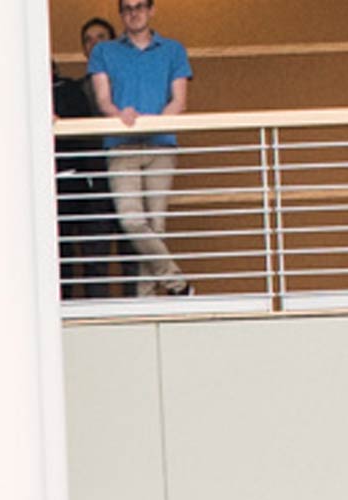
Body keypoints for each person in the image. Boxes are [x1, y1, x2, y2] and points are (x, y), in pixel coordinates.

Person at [89, 0, 197, 295]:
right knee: (132, 219)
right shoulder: (104, 51)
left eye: (140, 6)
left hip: (161, 144)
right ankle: (177, 282)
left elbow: (179, 101)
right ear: (121, 14)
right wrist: (117, 114)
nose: (134, 12)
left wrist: (156, 122)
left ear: (151, 10)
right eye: (127, 8)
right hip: (122, 144)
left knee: (156, 226)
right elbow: (103, 100)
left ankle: (146, 300)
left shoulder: (173, 49)